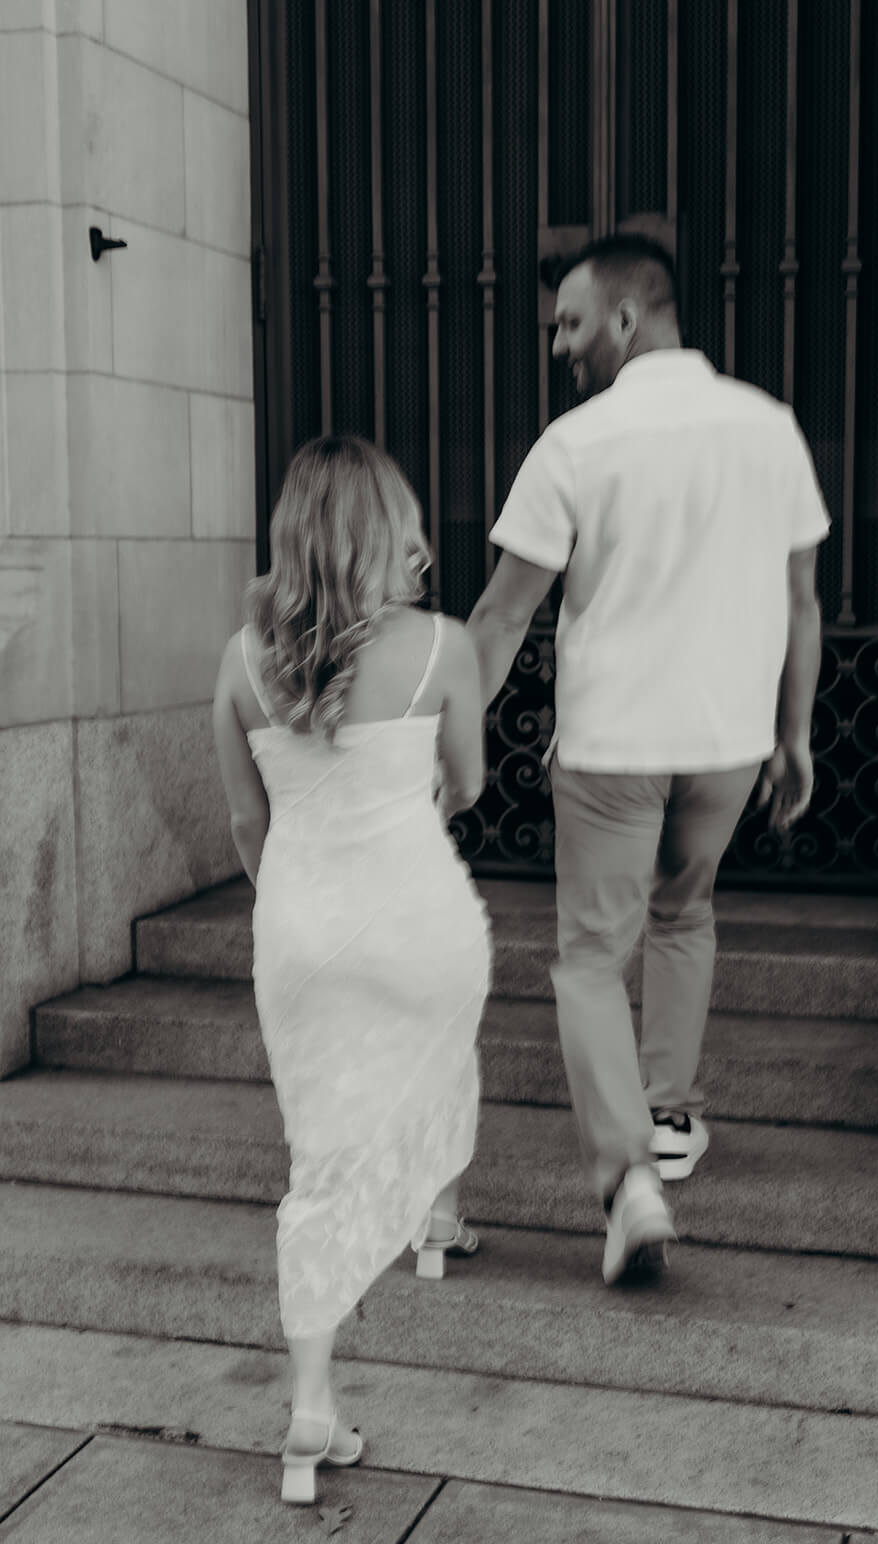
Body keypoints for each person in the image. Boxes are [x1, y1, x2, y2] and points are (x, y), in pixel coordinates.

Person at [467, 233, 829, 1286]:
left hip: (613, 745)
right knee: (684, 916)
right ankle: (671, 1116)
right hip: (725, 742)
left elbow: (499, 617)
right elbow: (799, 598)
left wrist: (433, 736)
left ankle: (629, 1176)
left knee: (588, 956)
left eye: (568, 324)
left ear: (627, 318)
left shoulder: (576, 443)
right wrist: (793, 733)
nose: (559, 347)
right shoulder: (768, 428)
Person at [212, 434, 490, 1504]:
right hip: (416, 912)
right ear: (392, 526)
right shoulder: (442, 647)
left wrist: (292, 891)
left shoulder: (237, 660)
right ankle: (429, 1210)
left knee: (316, 1161)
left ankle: (309, 1407)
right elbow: (462, 782)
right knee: (437, 1050)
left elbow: (247, 821)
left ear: (291, 530)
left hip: (300, 928)